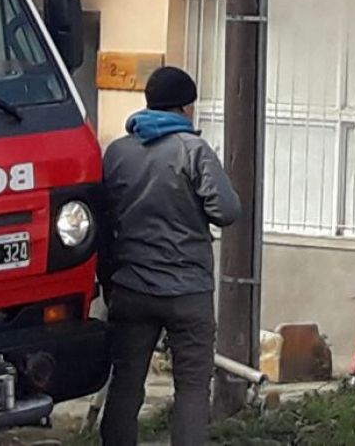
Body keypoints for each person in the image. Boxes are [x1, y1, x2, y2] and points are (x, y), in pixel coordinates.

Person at [99, 66, 241, 446]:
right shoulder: (193, 150)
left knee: (126, 384)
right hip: (187, 292)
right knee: (192, 389)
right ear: (185, 108)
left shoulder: (117, 152)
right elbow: (226, 211)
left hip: (130, 289)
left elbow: (103, 215)